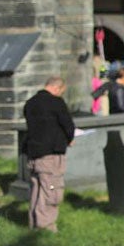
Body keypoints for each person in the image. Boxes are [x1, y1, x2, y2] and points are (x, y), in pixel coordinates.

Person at [23, 76, 76, 232]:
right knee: (51, 188)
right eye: (61, 92)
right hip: (50, 153)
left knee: (37, 188)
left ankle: (34, 222)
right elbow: (67, 124)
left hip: (33, 152)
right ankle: (46, 225)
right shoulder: (55, 102)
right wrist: (70, 138)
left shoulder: (30, 103)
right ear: (56, 88)